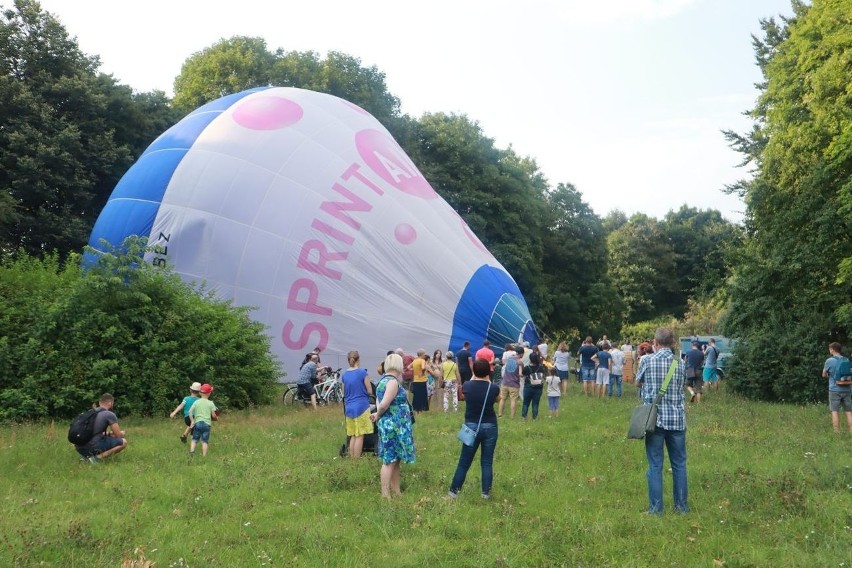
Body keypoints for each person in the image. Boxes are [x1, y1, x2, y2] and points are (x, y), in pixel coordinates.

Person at [636, 328, 688, 515]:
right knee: (679, 465)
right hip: (677, 420)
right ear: (673, 343)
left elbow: (637, 383)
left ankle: (656, 509)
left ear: (654, 343)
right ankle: (681, 507)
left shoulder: (646, 360)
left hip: (654, 420)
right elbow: (683, 386)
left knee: (655, 464)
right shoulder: (680, 363)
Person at [448, 358, 501, 500]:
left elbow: (464, 395)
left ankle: (453, 493)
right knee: (487, 461)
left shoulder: (467, 386)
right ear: (488, 372)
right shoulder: (494, 388)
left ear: (474, 371)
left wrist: (474, 376)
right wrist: (487, 380)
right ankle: (485, 494)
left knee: (464, 462)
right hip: (490, 426)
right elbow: (498, 399)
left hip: (471, 426)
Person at [370, 354, 416, 498]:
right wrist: (378, 414)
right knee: (389, 460)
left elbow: (379, 401)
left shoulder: (382, 381)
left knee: (395, 459)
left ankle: (396, 491)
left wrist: (378, 415)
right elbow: (384, 404)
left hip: (391, 424)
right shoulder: (393, 382)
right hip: (394, 425)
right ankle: (385, 495)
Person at [75, 393, 127, 463]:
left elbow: (92, 432)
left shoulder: (90, 412)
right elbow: (118, 435)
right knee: (123, 442)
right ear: (110, 403)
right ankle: (96, 459)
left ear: (99, 402)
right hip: (93, 446)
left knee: (106, 438)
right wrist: (121, 433)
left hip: (79, 447)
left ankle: (85, 457)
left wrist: (109, 434)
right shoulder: (109, 414)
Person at [342, 350, 373, 458]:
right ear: (358, 359)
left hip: (349, 407)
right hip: (362, 407)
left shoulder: (344, 375)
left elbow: (344, 391)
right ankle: (356, 459)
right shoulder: (362, 373)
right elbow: (369, 391)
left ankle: (352, 459)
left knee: (353, 435)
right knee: (360, 435)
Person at [821, 342, 852, 433]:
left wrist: (829, 375)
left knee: (835, 411)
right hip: (847, 388)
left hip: (834, 389)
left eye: (830, 349)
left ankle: (837, 433)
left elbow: (824, 374)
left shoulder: (829, 361)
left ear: (833, 350)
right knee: (849, 411)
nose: (829, 350)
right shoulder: (846, 359)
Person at [189, 383, 218, 457]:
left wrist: (192, 421)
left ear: (200, 392)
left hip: (197, 423)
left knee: (194, 439)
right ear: (209, 393)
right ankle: (204, 456)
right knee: (204, 441)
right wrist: (216, 418)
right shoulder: (211, 403)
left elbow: (190, 412)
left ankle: (192, 452)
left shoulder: (196, 402)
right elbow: (214, 415)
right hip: (206, 425)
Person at [521, 351, 545, 420]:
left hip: (528, 387)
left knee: (526, 403)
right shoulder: (541, 367)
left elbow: (522, 375)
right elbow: (543, 375)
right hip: (538, 388)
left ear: (530, 359)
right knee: (535, 403)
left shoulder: (527, 368)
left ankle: (524, 417)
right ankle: (534, 418)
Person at [498, 347, 521, 419]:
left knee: (502, 399)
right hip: (514, 384)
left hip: (505, 382)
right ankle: (512, 417)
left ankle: (500, 415)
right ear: (521, 354)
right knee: (513, 400)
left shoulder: (509, 359)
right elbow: (520, 373)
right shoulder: (519, 362)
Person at [409, 349, 429, 413]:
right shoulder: (422, 360)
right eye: (424, 354)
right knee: (422, 395)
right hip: (422, 380)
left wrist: (414, 370)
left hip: (415, 380)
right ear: (422, 354)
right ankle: (422, 409)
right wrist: (422, 372)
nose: (425, 355)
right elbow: (423, 368)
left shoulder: (414, 361)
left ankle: (416, 409)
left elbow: (408, 367)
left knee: (416, 395)